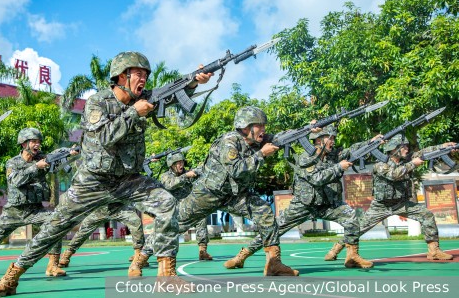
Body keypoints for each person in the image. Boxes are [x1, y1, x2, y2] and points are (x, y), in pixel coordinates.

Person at [0, 51, 213, 297]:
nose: (144, 78)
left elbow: (171, 94)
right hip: (93, 181)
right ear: (122, 76)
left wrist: (193, 82)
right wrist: (134, 112)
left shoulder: (144, 98)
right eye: (138, 73)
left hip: (128, 179)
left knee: (167, 202)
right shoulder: (98, 102)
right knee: (55, 227)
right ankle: (12, 275)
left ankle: (166, 276)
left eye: (146, 74)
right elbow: (104, 136)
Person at [133, 106, 299, 276]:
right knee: (175, 224)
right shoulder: (229, 142)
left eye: (264, 126)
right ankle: (140, 259)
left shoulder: (257, 140)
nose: (263, 129)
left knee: (264, 213)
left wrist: (304, 131)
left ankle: (274, 263)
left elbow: (279, 138)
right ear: (245, 127)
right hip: (208, 194)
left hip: (234, 195)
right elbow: (236, 169)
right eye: (259, 126)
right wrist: (261, 155)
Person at [231, 124, 375, 270]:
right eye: (330, 138)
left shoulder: (333, 156)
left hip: (327, 205)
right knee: (274, 229)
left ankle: (352, 257)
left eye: (334, 138)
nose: (333, 141)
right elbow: (317, 178)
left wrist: (371, 142)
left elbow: (352, 150)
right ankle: (242, 256)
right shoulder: (306, 158)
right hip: (304, 205)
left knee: (352, 218)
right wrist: (339, 167)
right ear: (318, 140)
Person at [0, 128, 78, 278]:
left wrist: (70, 151)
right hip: (13, 211)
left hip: (35, 210)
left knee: (56, 222)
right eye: (33, 142)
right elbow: (16, 180)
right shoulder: (13, 163)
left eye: (39, 142)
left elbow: (56, 154)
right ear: (24, 144)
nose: (37, 145)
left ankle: (53, 265)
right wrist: (36, 167)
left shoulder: (43, 158)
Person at [323, 134, 455, 261]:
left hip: (401, 203)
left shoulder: (406, 160)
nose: (406, 149)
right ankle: (336, 248)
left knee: (426, 215)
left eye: (407, 146)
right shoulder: (381, 164)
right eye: (403, 146)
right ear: (394, 149)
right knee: (358, 228)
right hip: (381, 206)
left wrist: (443, 147)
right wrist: (413, 164)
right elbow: (394, 174)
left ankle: (434, 251)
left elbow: (423, 153)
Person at [129, 150, 212, 276]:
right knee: (160, 235)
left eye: (182, 162)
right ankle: (139, 261)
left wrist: (201, 169)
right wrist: (186, 176)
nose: (181, 165)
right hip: (171, 212)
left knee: (202, 217)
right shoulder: (166, 176)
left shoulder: (188, 172)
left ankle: (202, 250)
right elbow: (169, 185)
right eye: (177, 163)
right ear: (171, 165)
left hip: (187, 210)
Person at [58, 204, 146, 267]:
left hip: (120, 207)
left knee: (135, 221)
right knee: (84, 230)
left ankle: (138, 254)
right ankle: (67, 254)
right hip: (101, 208)